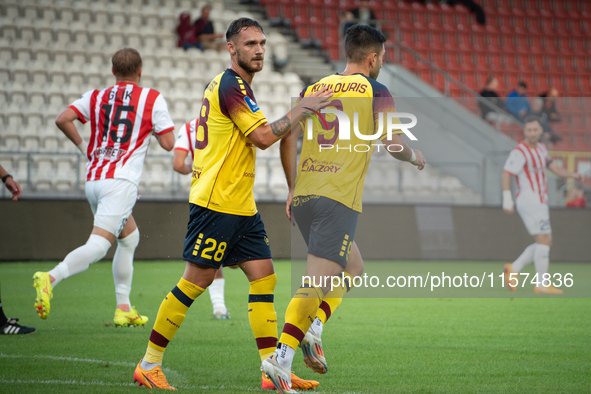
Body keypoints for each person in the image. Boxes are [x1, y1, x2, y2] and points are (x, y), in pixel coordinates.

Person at [132, 18, 332, 391]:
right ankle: (148, 364)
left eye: (262, 43)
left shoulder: (239, 87)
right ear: (231, 49)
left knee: (264, 277)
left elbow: (271, 132)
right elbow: (261, 137)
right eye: (250, 44)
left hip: (241, 206)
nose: (258, 50)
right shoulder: (230, 84)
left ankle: (273, 372)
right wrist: (302, 109)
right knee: (197, 281)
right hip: (216, 202)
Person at [261, 25, 426, 393]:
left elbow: (287, 133)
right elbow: (393, 143)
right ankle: (280, 359)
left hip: (305, 196)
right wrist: (415, 157)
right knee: (315, 283)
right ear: (372, 58)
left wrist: (291, 188)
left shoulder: (314, 87)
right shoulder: (376, 90)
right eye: (381, 57)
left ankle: (314, 328)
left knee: (353, 266)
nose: (382, 62)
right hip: (336, 199)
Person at [32, 48, 176, 327]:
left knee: (129, 238)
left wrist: (86, 150)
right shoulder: (151, 98)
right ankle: (50, 277)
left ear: (113, 71)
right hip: (120, 182)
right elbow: (169, 143)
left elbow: (63, 118)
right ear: (140, 71)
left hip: (95, 178)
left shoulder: (95, 96)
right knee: (98, 245)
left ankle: (123, 307)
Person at [502, 116, 582, 294]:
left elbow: (553, 167)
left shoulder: (541, 148)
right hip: (529, 201)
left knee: (545, 241)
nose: (532, 133)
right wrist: (507, 198)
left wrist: (571, 174)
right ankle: (541, 283)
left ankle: (513, 269)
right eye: (529, 130)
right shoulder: (519, 152)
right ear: (525, 131)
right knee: (544, 240)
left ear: (540, 131)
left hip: (540, 201)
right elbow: (507, 173)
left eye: (535, 130)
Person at [173, 117, 230, 319]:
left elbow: (178, 164)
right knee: (238, 256)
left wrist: (195, 167)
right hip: (233, 193)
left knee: (212, 253)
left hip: (204, 196)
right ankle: (220, 307)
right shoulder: (235, 121)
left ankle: (219, 307)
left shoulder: (189, 127)